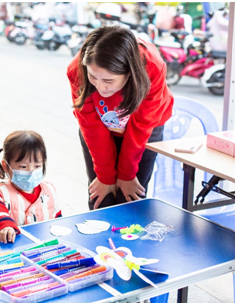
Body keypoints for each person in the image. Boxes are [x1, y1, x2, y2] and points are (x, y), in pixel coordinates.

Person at [66, 26, 173, 211]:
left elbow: (142, 125)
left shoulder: (151, 67)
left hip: (145, 129)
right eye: (93, 77)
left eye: (109, 81)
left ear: (129, 73)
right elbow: (91, 126)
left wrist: (126, 175)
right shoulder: (78, 68)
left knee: (130, 197)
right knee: (101, 196)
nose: (100, 88)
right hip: (99, 128)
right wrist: (106, 177)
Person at [0, 130, 62, 243]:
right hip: (11, 251)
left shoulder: (50, 190)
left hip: (44, 250)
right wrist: (6, 225)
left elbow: (58, 219)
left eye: (37, 166)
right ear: (5, 166)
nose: (31, 171)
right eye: (23, 167)